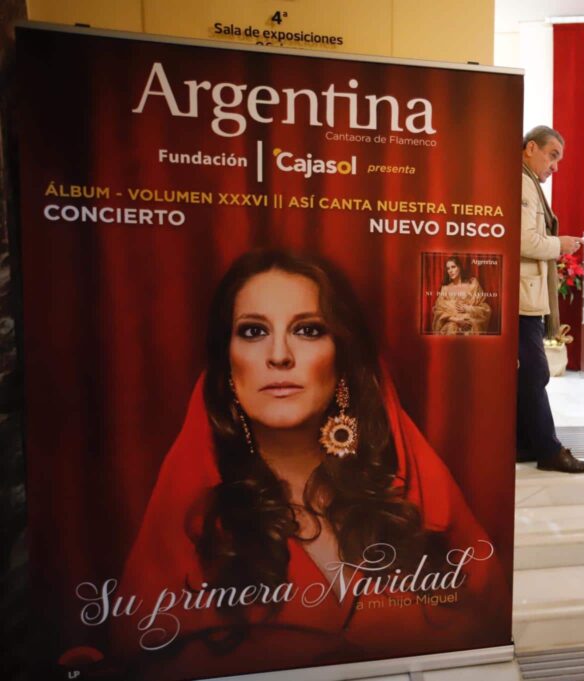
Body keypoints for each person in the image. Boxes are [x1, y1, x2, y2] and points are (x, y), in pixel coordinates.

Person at [115, 250, 505, 679]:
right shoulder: (189, 526)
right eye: (253, 331)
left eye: (307, 329)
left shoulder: (415, 494)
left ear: (341, 358)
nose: (279, 355)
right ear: (226, 363)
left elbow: (483, 631)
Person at [519, 125, 584, 473]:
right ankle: (548, 450)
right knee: (535, 374)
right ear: (530, 148)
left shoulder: (528, 183)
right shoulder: (522, 183)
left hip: (526, 295)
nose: (555, 166)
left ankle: (525, 444)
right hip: (521, 298)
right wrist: (558, 244)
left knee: (529, 376)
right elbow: (522, 240)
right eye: (552, 156)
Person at [431, 256, 491, 335]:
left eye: (453, 267)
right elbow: (438, 310)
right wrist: (457, 320)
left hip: (470, 324)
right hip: (451, 325)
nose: (450, 271)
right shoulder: (445, 288)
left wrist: (467, 309)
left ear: (459, 268)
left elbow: (484, 309)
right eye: (448, 268)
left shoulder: (472, 284)